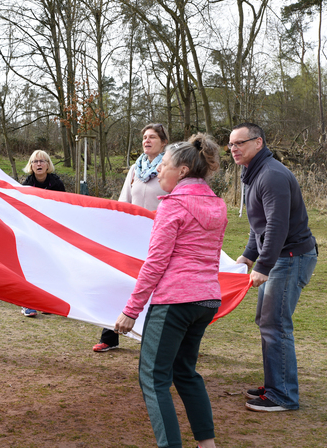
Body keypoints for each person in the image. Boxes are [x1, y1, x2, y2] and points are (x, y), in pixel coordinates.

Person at [114, 134, 225, 448]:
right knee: (185, 372)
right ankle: (208, 445)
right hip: (206, 300)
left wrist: (130, 311)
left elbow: (155, 263)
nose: (158, 171)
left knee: (153, 378)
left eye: (164, 165)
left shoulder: (172, 205)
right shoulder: (217, 205)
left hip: (175, 302)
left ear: (184, 172)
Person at [229, 123, 317, 413]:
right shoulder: (253, 174)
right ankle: (275, 384)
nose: (234, 149)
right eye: (230, 145)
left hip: (290, 257)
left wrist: (263, 265)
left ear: (258, 143)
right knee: (267, 320)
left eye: (240, 143)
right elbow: (260, 225)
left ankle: (284, 395)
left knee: (276, 323)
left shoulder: (271, 175)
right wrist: (247, 256)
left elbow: (277, 227)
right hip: (279, 257)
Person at [94, 123, 170, 352]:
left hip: (162, 236)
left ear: (164, 142)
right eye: (145, 137)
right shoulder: (136, 168)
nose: (147, 141)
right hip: (134, 237)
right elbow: (124, 200)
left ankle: (163, 338)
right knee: (121, 280)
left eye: (153, 137)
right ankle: (110, 335)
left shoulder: (171, 167)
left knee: (158, 286)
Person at [20, 150, 65, 317]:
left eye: (42, 161)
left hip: (51, 230)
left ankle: (48, 302)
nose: (39, 164)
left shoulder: (57, 183)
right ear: (31, 166)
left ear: (48, 165)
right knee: (31, 266)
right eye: (35, 161)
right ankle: (28, 304)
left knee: (49, 265)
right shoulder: (26, 185)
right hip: (31, 229)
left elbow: (63, 207)